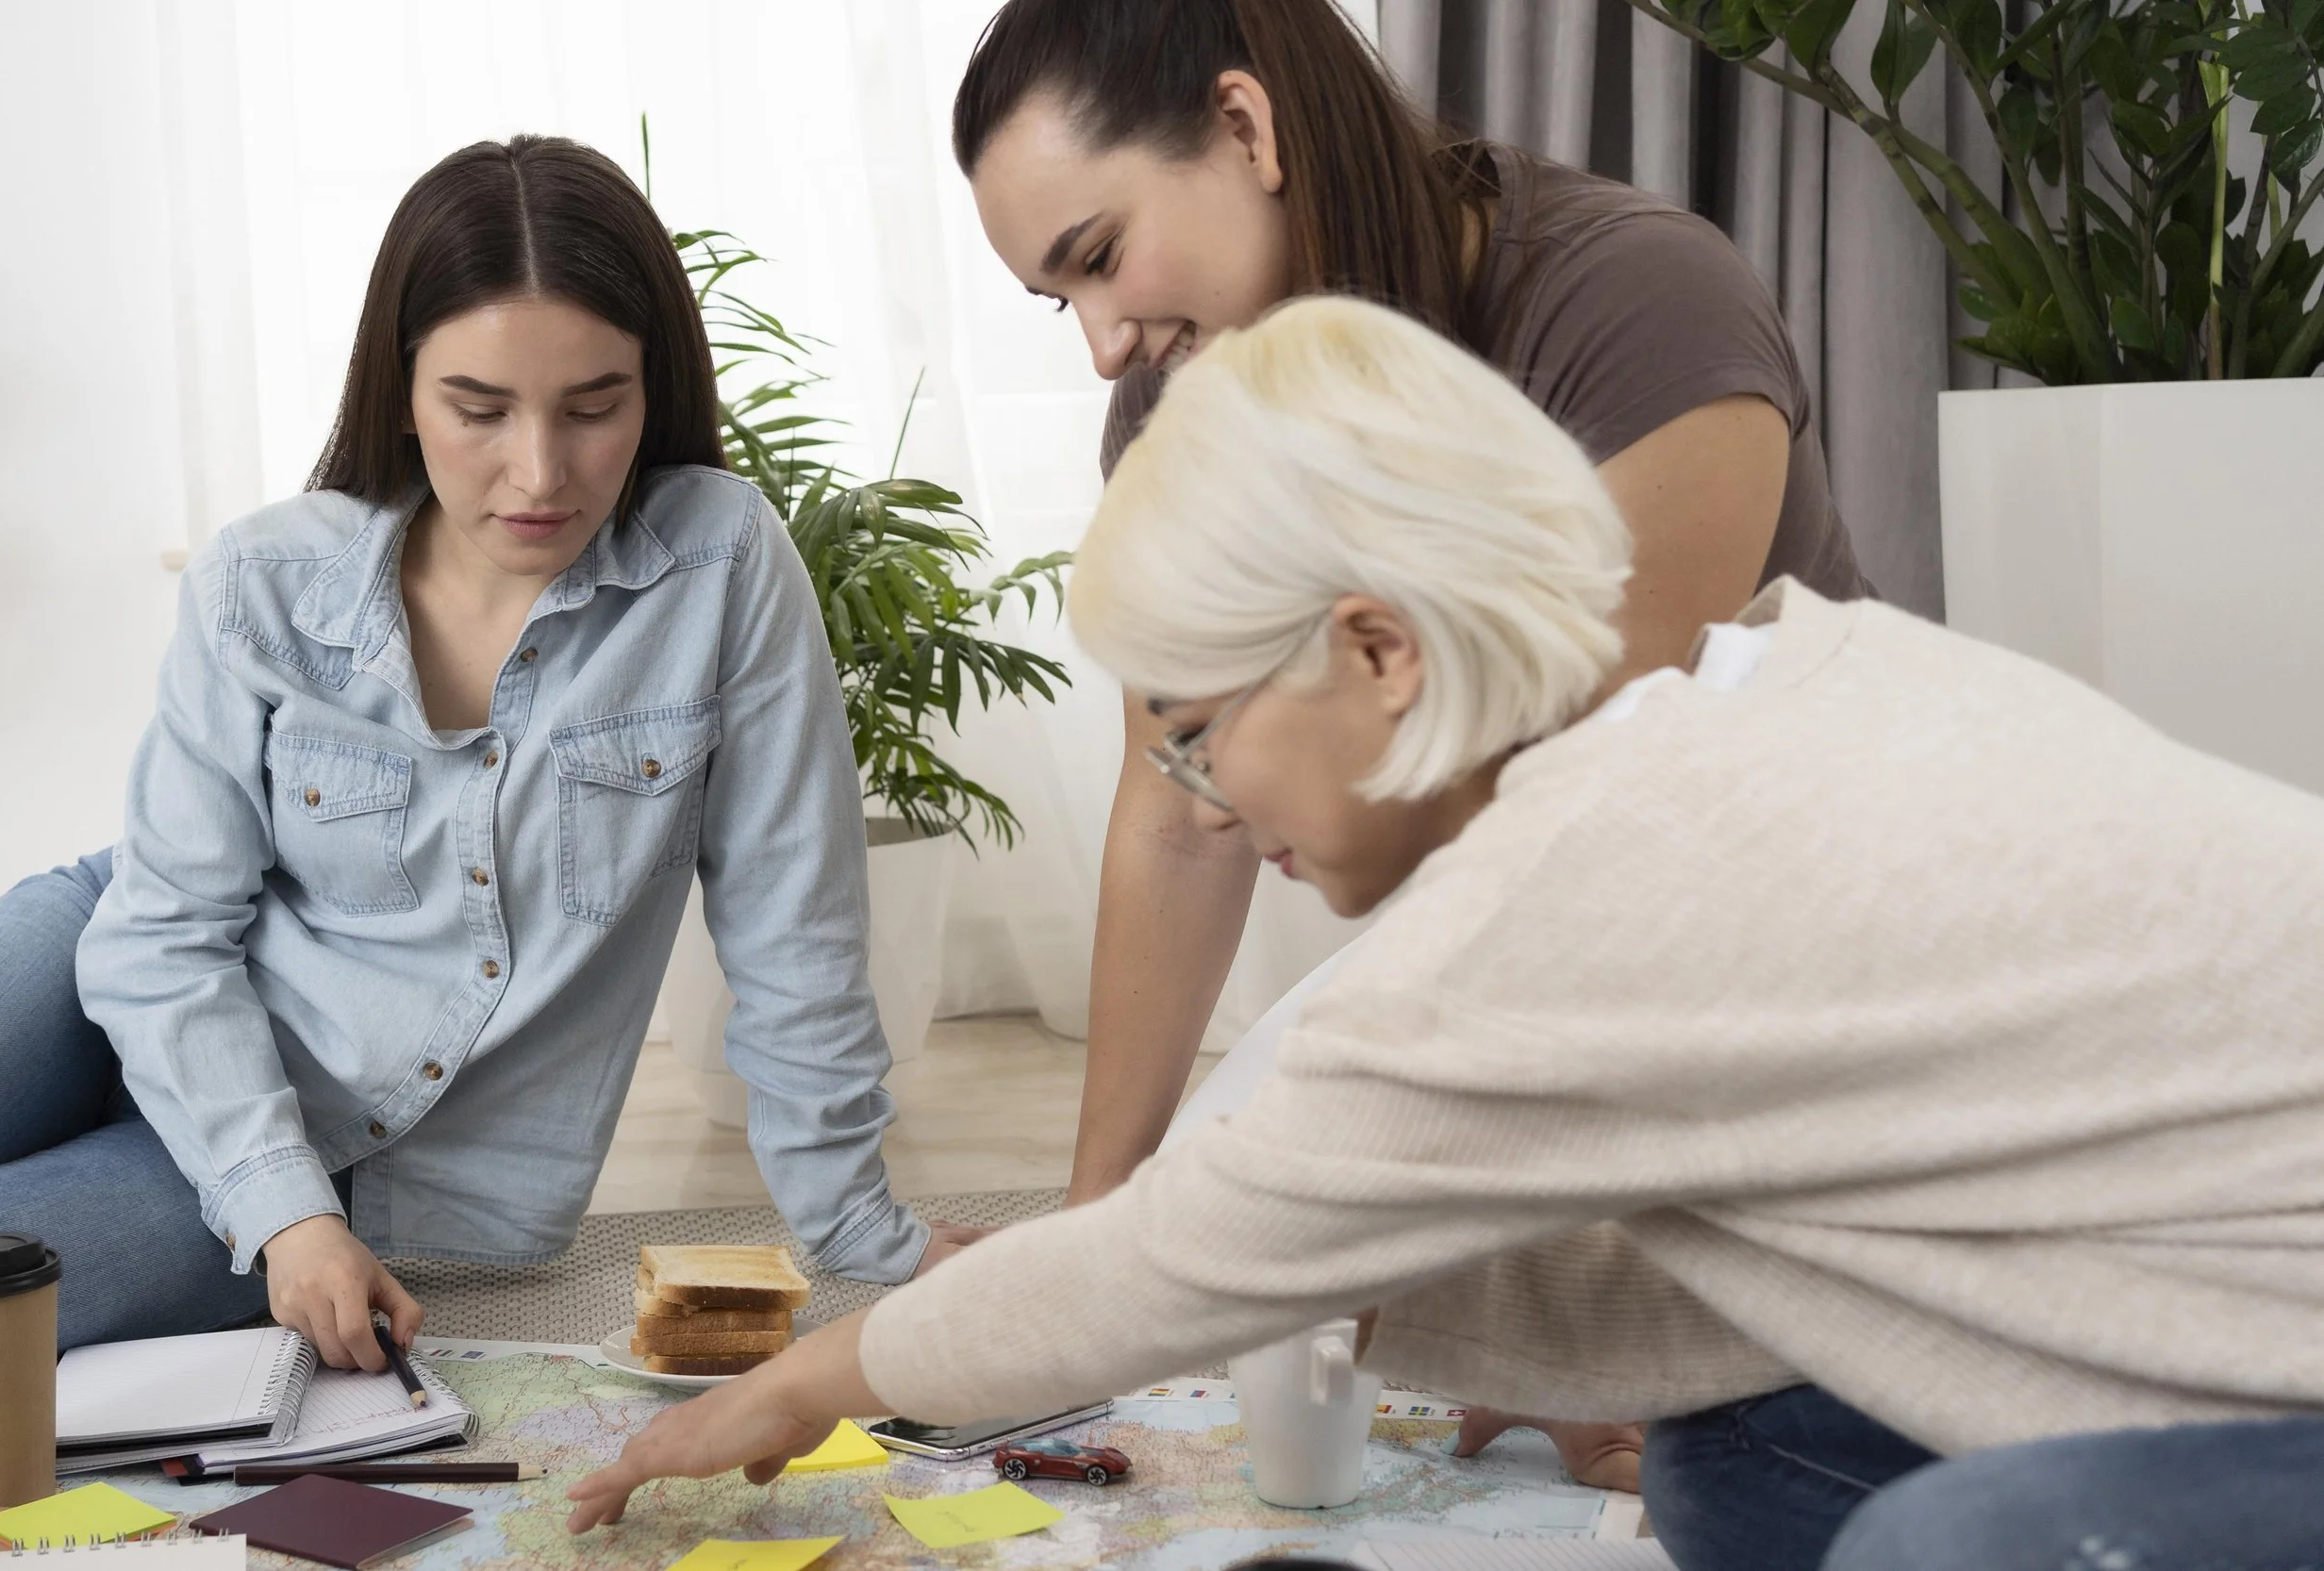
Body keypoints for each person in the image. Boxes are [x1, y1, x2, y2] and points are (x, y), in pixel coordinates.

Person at [562, 298, 2324, 1570]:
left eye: (1196, 730)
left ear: (1378, 650)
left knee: (1964, 1544)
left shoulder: (1565, 899)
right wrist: (1407, 1289)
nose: (1204, 801)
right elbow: (1799, 1243)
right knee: (1743, 1455)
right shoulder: (1783, 672)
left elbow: (1159, 1261)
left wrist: (802, 1384)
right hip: (2230, 1313)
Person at [951, 0, 1860, 1481]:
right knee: (1246, 1206)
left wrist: (1544, 1298)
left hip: (1777, 966)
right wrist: (1093, 1240)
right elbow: (1182, 809)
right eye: (1063, 303)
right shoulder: (1183, 399)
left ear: (1246, 132)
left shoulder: (1639, 299)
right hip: (1557, 955)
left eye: (1102, 257)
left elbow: (1573, 823)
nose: (1107, 344)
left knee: (1720, 1457)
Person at [0, 135, 976, 1366]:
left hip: (352, 1159)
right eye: (479, 410)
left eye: (594, 407)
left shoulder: (721, 567)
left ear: (655, 388)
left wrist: (872, 1238)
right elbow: (157, 936)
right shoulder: (263, 580)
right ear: (401, 388)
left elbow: (795, 934)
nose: (539, 472)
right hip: (116, 964)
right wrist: (285, 1210)